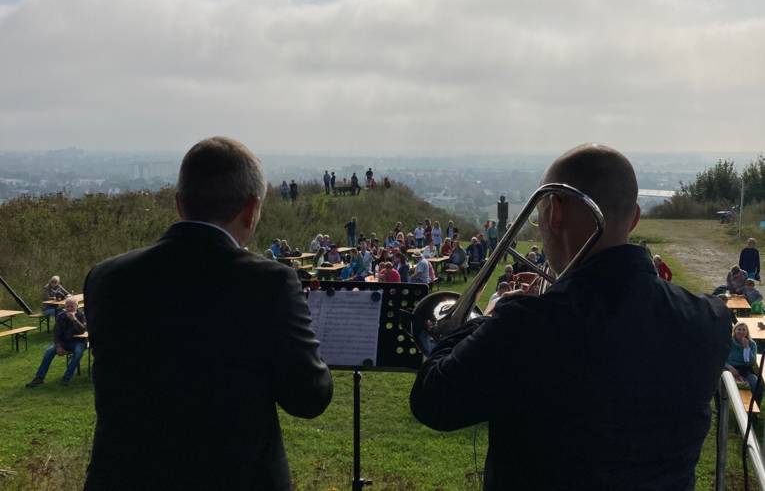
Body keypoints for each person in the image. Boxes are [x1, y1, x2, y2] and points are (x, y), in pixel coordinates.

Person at [410, 143, 730, 490]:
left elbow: (432, 401)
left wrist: (485, 320)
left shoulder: (523, 324)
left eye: (540, 215)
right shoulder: (710, 320)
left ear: (555, 214)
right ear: (634, 219)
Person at [82, 137, 333, 491]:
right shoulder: (269, 283)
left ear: (179, 204)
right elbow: (308, 398)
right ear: (251, 209)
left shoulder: (106, 278)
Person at [26, 297, 87, 387]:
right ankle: (39, 378)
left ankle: (66, 378)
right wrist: (58, 346)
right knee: (49, 351)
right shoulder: (61, 316)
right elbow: (56, 333)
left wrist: (74, 319)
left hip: (78, 342)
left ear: (77, 306)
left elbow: (82, 330)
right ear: (65, 307)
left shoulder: (81, 315)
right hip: (64, 342)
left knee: (78, 353)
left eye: (72, 306)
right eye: (67, 307)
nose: (69, 309)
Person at [725, 323, 762, 404]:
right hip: (729, 369)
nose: (741, 332)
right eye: (739, 329)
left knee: (756, 385)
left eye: (744, 330)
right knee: (721, 385)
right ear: (734, 331)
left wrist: (746, 348)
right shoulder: (728, 342)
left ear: (747, 332)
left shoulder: (752, 344)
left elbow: (750, 362)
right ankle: (720, 412)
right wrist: (730, 367)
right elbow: (720, 358)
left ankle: (753, 412)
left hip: (745, 369)